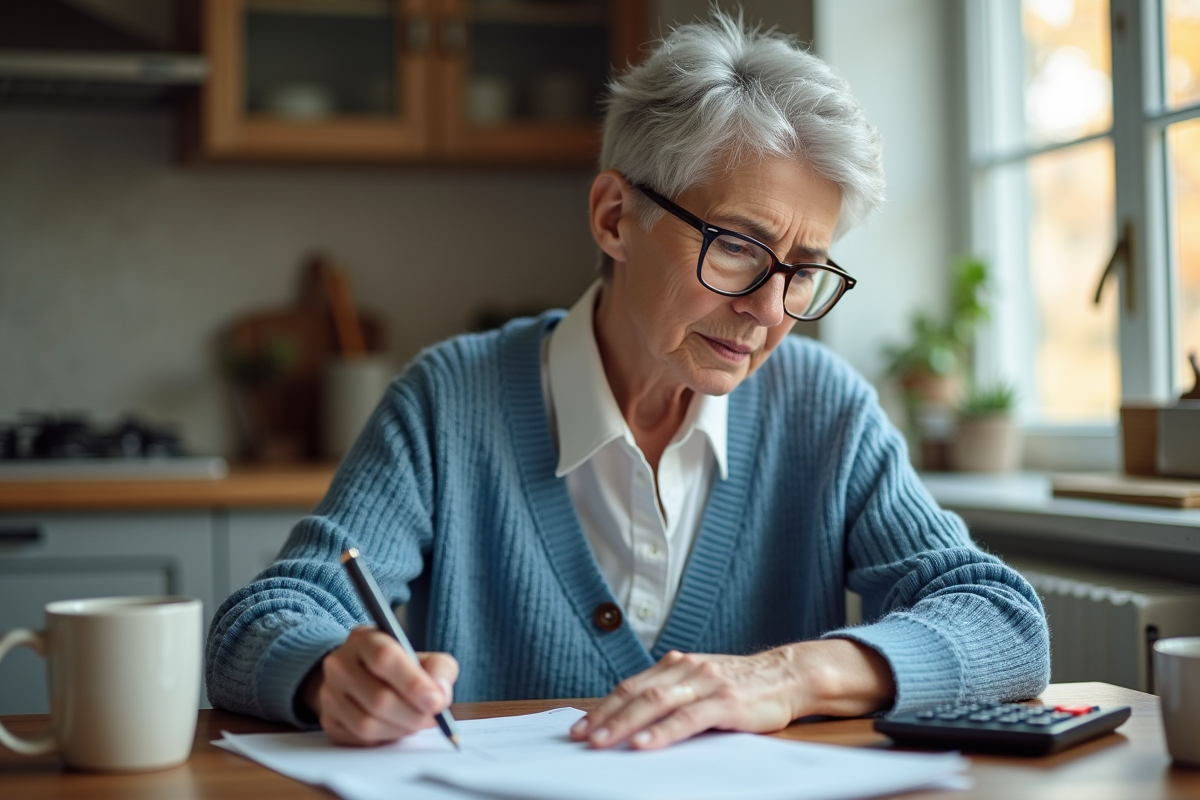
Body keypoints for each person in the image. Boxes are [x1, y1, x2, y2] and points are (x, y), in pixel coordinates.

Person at [205, 11, 1049, 751]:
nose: (768, 308)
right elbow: (259, 623)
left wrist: (789, 677)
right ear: (615, 217)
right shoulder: (447, 402)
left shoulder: (825, 409)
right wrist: (328, 674)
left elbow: (1003, 622)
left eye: (803, 270)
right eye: (738, 248)